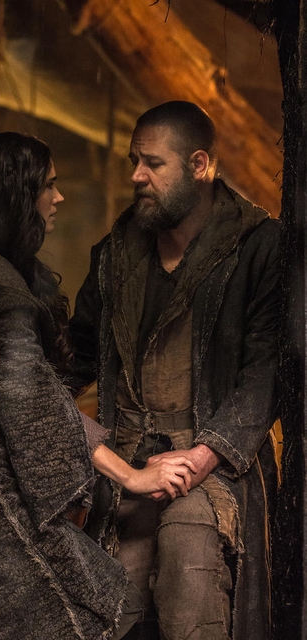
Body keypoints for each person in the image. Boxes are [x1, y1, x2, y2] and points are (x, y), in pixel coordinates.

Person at [0, 132, 199, 640]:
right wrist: (133, 476)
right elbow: (36, 407)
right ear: (18, 196)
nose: (59, 197)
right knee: (73, 613)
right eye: (48, 186)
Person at [69, 102, 281, 640]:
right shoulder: (115, 256)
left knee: (191, 573)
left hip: (215, 467)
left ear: (199, 165)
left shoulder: (257, 247)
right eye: (134, 162)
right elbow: (73, 358)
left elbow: (266, 374)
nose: (136, 176)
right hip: (131, 461)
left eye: (153, 164)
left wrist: (202, 456)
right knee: (113, 609)